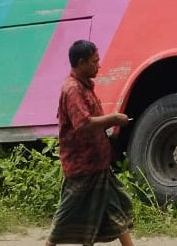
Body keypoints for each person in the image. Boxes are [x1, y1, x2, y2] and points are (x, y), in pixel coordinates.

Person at [46, 40, 135, 246]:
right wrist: (113, 119)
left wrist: (109, 130)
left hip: (98, 164)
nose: (98, 65)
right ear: (81, 62)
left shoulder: (84, 86)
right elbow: (83, 124)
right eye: (94, 61)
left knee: (116, 212)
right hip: (82, 167)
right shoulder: (72, 90)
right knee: (65, 218)